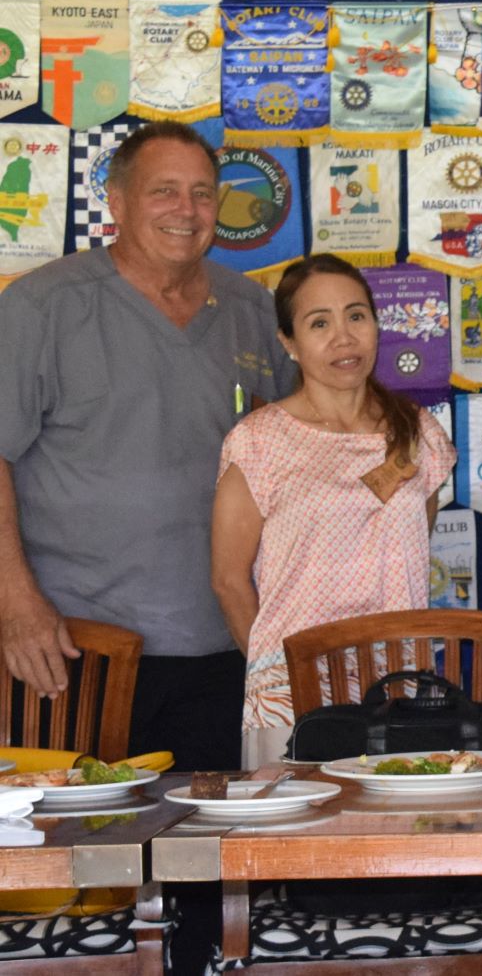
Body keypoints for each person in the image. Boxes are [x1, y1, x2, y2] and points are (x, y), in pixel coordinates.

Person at [0, 122, 295, 771]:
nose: (186, 211)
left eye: (202, 193)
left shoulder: (250, 308)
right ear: (117, 200)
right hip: (76, 651)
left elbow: (308, 439)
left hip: (227, 645)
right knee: (75, 852)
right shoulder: (40, 307)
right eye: (164, 191)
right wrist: (16, 608)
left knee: (206, 855)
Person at [210, 256, 457, 768]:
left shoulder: (419, 431)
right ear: (288, 343)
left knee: (396, 835)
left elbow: (411, 547)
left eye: (356, 316)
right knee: (295, 841)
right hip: (294, 694)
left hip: (399, 685)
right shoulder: (258, 441)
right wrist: (277, 675)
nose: (343, 338)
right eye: (319, 323)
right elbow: (229, 580)